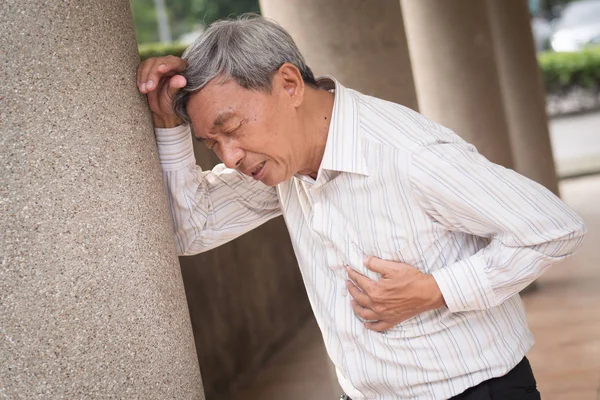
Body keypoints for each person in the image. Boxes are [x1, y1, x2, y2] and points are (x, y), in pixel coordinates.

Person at [136, 15, 586, 400]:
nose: (228, 156)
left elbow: (552, 227)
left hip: (475, 390)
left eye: (231, 127)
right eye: (212, 143)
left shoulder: (410, 155)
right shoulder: (282, 166)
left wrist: (437, 290)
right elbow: (190, 230)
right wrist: (169, 126)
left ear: (289, 84)